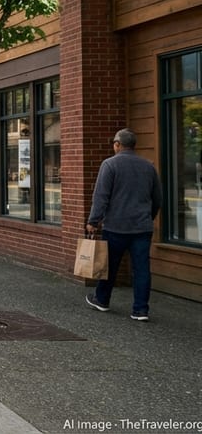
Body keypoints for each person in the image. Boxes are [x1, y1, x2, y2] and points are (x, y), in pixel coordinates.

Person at [85, 128, 161, 321]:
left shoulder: (110, 165)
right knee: (142, 268)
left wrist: (93, 221)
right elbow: (157, 198)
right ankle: (141, 310)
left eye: (114, 143)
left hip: (116, 226)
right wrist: (148, 217)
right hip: (142, 227)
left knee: (109, 265)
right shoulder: (148, 166)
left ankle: (102, 300)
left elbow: (101, 196)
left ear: (118, 144)